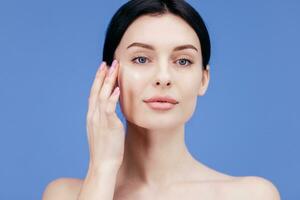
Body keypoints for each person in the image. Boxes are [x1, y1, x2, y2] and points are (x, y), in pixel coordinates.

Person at [42, 0, 281, 199]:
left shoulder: (251, 195)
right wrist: (102, 169)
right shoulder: (65, 194)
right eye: (141, 59)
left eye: (183, 61)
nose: (164, 78)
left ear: (203, 79)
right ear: (108, 75)